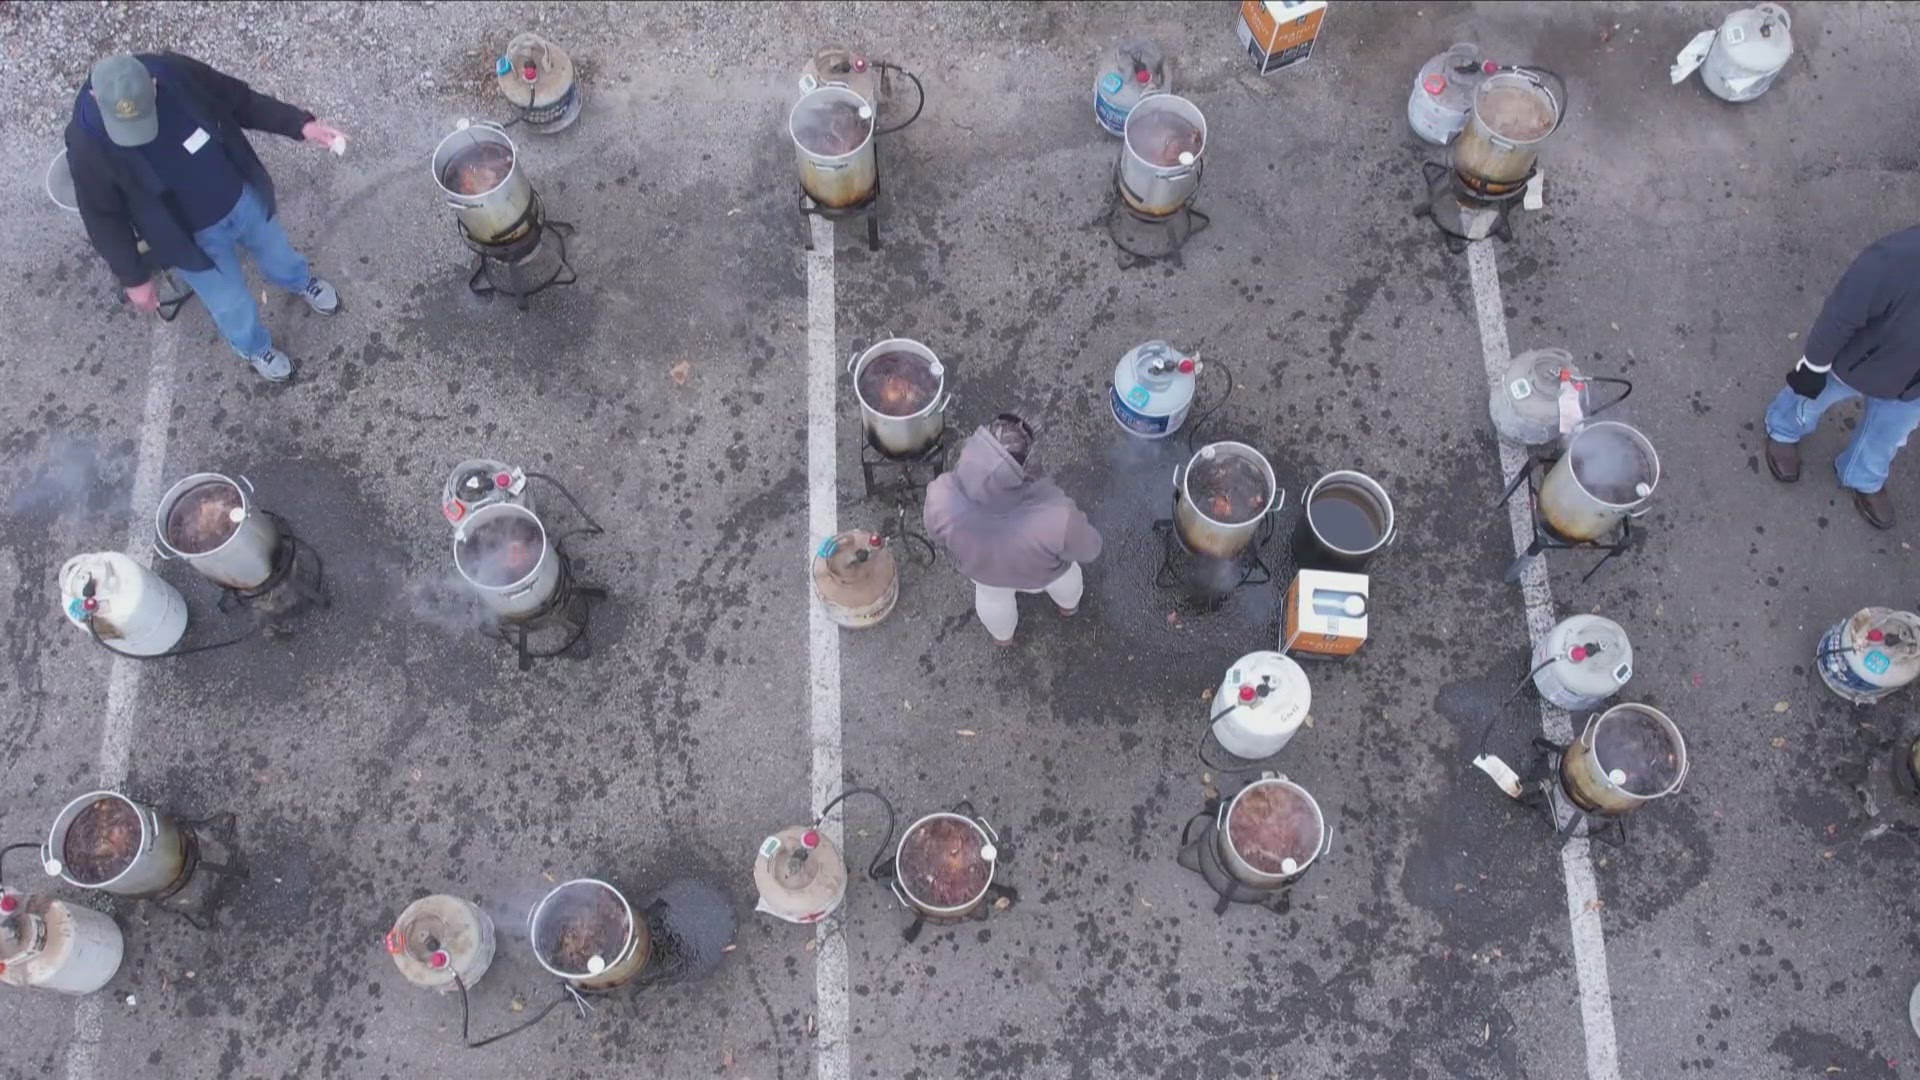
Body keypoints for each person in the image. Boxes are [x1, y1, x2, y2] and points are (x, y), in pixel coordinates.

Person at [65, 52, 348, 383]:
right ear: (96, 98)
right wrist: (133, 277)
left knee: (279, 253)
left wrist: (299, 124)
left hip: (241, 198)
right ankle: (255, 347)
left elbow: (237, 100)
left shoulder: (173, 71)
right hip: (189, 240)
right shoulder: (85, 143)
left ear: (153, 84)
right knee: (231, 304)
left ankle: (301, 281)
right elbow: (102, 215)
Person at [1764, 224, 1920, 529]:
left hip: (1913, 388)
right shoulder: (1894, 260)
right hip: (1856, 364)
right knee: (1810, 397)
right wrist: (1814, 365)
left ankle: (1863, 475)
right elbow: (1841, 315)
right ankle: (1783, 430)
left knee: (1888, 437)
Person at [924, 415, 1105, 646]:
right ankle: (1068, 608)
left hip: (983, 571)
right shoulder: (1057, 515)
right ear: (1026, 466)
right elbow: (1090, 549)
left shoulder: (940, 495)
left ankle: (1003, 638)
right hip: (1042, 574)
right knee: (1067, 581)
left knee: (993, 602)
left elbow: (934, 533)